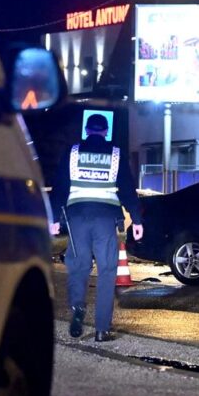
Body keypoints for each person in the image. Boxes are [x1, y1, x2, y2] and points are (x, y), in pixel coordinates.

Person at [50, 113, 142, 342]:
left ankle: (77, 306)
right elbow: (128, 189)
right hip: (105, 219)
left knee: (79, 266)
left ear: (87, 130)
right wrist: (137, 219)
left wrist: (53, 218)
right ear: (106, 131)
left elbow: (60, 187)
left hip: (77, 218)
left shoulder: (72, 153)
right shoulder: (116, 154)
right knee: (108, 271)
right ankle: (102, 328)